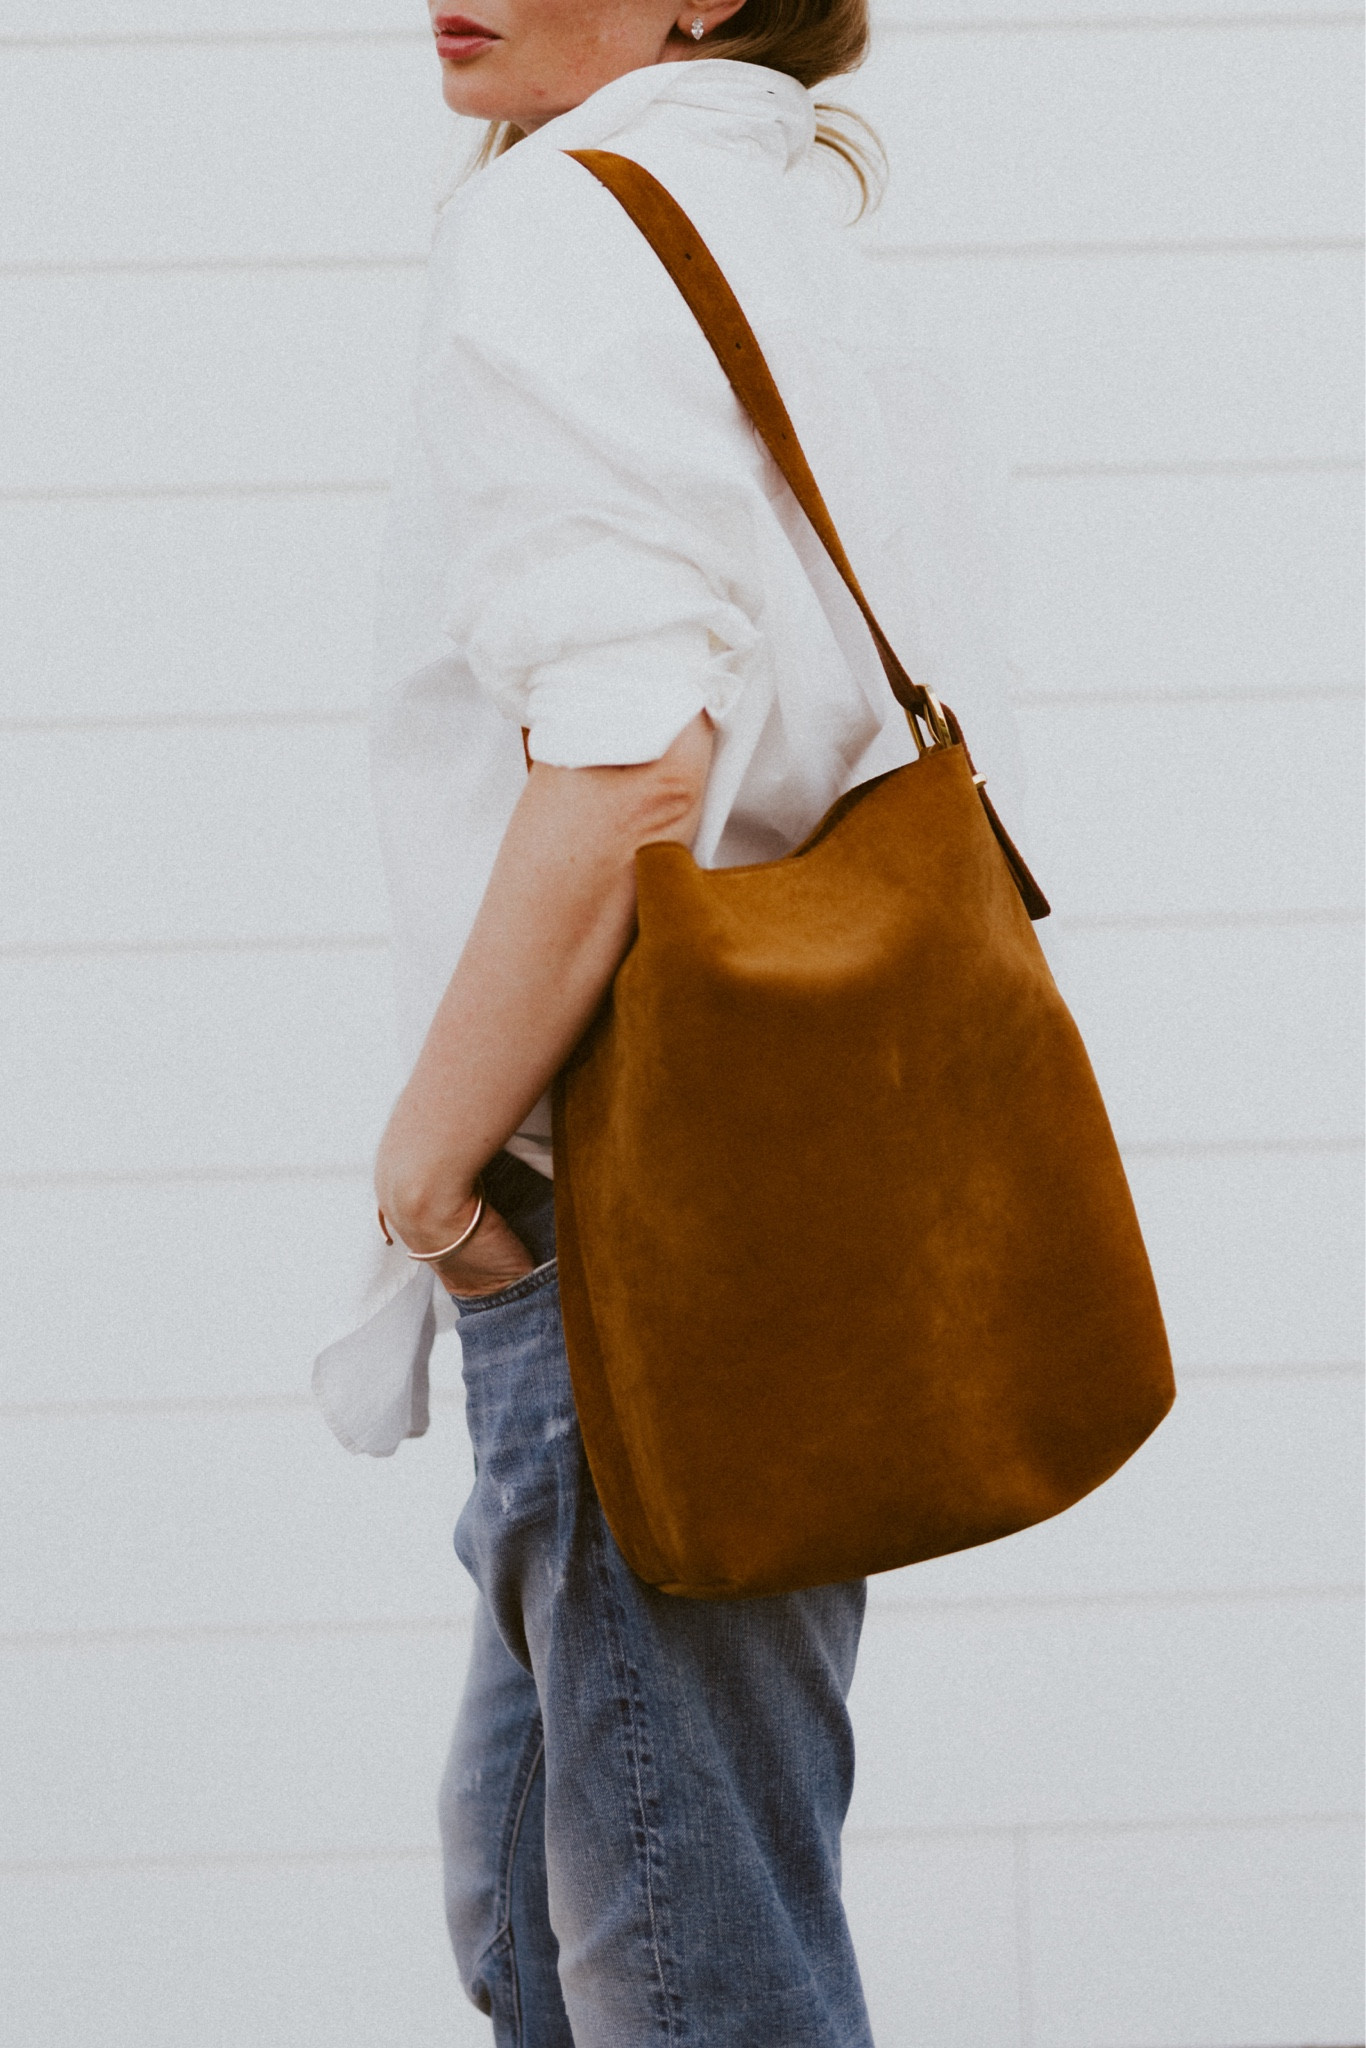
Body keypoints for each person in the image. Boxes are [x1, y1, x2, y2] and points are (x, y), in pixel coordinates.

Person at [314, 0, 1019, 2038]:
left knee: (684, 1965)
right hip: (785, 1179)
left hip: (640, 1196)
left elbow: (632, 747)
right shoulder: (777, 220)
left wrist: (429, 1175)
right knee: (555, 1921)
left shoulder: (567, 221)